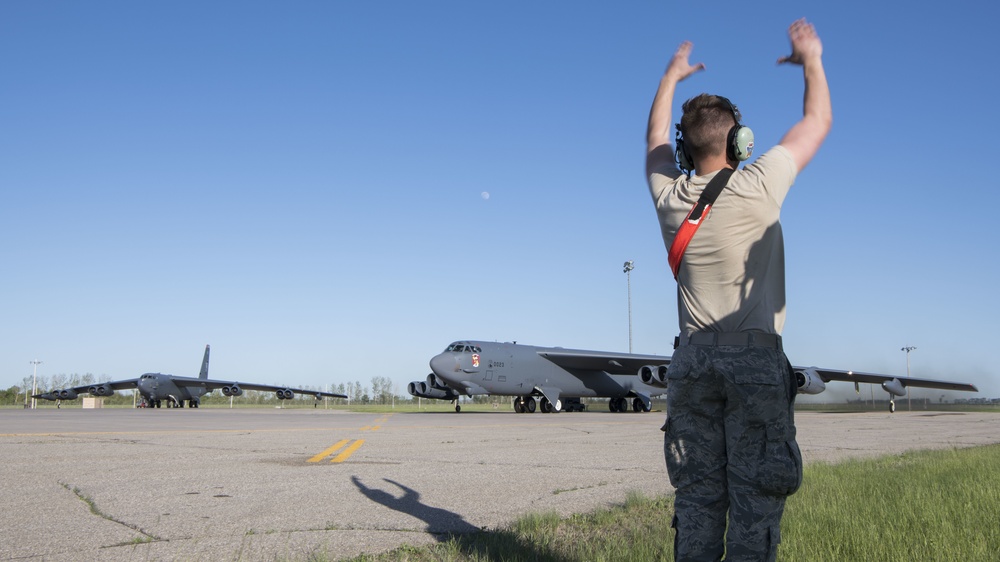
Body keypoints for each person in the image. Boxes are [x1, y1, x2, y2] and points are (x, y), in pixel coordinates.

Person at [644, 19, 832, 561]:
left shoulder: (669, 197)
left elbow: (655, 140)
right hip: (754, 363)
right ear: (740, 141)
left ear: (686, 145)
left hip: (693, 365)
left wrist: (670, 77)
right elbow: (816, 119)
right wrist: (811, 59)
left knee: (698, 504)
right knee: (756, 508)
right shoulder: (760, 182)